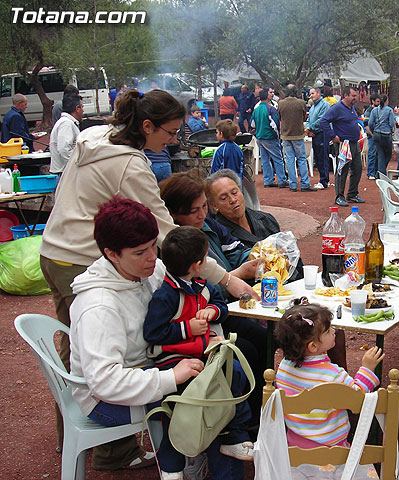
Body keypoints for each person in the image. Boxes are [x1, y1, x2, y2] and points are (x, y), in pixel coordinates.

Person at [39, 90, 256, 467]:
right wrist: (228, 280)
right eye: (170, 132)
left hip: (54, 249)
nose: (173, 140)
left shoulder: (95, 136)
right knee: (99, 344)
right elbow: (169, 236)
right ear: (146, 126)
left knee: (75, 346)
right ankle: (109, 446)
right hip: (83, 254)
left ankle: (89, 443)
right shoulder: (131, 164)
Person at [68, 198, 240, 480]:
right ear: (112, 254)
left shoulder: (150, 270)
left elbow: (193, 295)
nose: (152, 257)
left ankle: (200, 451)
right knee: (210, 394)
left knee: (229, 364)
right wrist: (171, 377)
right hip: (107, 402)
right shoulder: (98, 306)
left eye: (153, 246)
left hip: (155, 365)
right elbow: (104, 382)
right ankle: (191, 460)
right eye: (139, 252)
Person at [144, 226, 254, 475]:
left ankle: (234, 437)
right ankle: (172, 467)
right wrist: (187, 328)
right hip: (172, 361)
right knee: (179, 410)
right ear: (197, 264)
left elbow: (220, 305)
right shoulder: (166, 295)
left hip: (201, 355)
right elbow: (153, 333)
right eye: (206, 257)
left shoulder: (202, 284)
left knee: (235, 373)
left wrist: (213, 311)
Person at [160, 172, 266, 422]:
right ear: (174, 214)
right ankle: (246, 420)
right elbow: (202, 289)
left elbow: (237, 251)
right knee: (246, 350)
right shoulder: (175, 244)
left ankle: (263, 409)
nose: (201, 214)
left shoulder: (209, 225)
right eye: (194, 210)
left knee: (264, 339)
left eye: (204, 206)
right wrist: (235, 275)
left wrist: (250, 261)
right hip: (202, 322)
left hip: (222, 309)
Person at [275, 301, 383, 448]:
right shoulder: (333, 375)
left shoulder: (283, 368)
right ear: (313, 346)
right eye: (327, 331)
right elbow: (358, 398)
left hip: (295, 445)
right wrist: (367, 369)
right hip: (333, 447)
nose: (334, 331)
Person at [319, 86, 365, 207]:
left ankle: (352, 194)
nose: (356, 98)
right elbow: (323, 121)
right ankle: (339, 196)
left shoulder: (352, 108)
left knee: (358, 168)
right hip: (344, 144)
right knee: (342, 169)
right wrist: (333, 136)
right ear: (345, 96)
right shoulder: (337, 108)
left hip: (354, 142)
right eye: (353, 96)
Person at [278, 84, 315, 191]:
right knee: (301, 158)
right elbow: (304, 116)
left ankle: (293, 184)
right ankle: (305, 183)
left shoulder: (281, 104)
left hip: (285, 135)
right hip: (298, 134)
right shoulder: (301, 103)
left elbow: (280, 117)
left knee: (289, 159)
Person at [251, 89, 287, 188]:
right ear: (267, 96)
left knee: (265, 159)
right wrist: (277, 135)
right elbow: (275, 125)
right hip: (270, 137)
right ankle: (282, 180)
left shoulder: (256, 109)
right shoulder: (271, 109)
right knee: (278, 159)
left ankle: (268, 180)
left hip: (259, 137)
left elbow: (252, 124)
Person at [49, 94, 83, 175]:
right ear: (77, 109)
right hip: (63, 173)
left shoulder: (68, 122)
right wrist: (76, 164)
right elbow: (63, 149)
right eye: (82, 107)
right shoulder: (66, 123)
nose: (83, 110)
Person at [305, 86, 331, 189]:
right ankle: (324, 179)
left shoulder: (325, 105)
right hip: (314, 134)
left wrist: (310, 128)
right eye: (310, 94)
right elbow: (309, 120)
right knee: (318, 157)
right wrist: (308, 129)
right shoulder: (312, 107)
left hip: (322, 133)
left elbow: (322, 120)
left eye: (312, 93)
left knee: (322, 157)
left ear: (319, 93)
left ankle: (324, 181)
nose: (311, 96)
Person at [366, 93, 395, 177]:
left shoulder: (374, 110)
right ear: (386, 101)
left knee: (380, 154)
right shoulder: (389, 110)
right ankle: (381, 173)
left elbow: (370, 123)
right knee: (388, 154)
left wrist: (374, 130)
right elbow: (392, 123)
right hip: (386, 134)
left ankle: (379, 172)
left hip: (377, 134)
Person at [363, 94, 380, 180]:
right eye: (377, 101)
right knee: (372, 154)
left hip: (378, 135)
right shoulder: (369, 111)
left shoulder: (380, 110)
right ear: (373, 101)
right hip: (372, 136)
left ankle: (377, 172)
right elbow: (366, 124)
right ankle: (370, 173)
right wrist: (372, 135)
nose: (379, 103)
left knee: (378, 154)